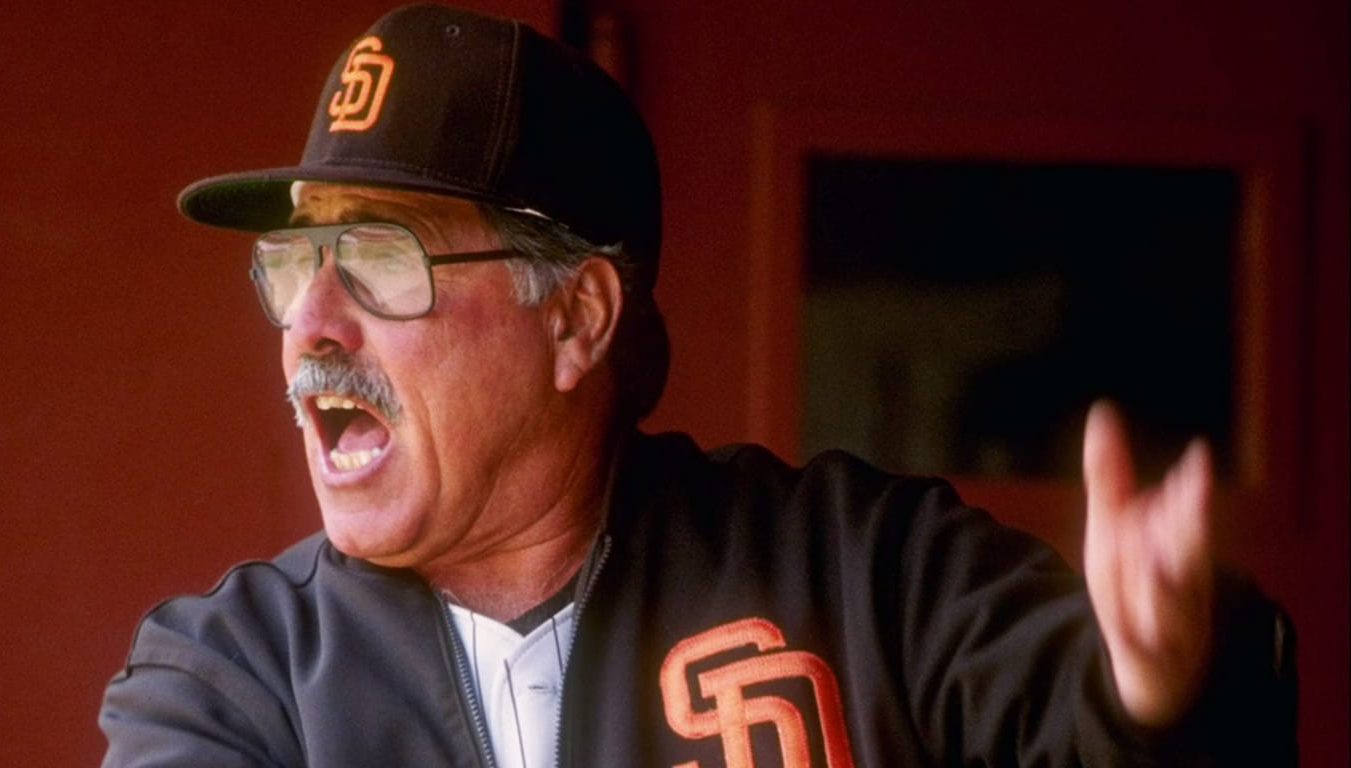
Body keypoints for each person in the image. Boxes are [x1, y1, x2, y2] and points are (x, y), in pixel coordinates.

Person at [99, 4, 1296, 766]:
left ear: (575, 318)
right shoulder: (226, 672)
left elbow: (1139, 719)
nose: (309, 319)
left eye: (375, 258)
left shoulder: (860, 573)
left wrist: (1163, 682)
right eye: (296, 261)